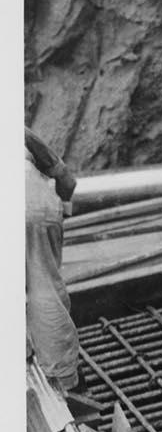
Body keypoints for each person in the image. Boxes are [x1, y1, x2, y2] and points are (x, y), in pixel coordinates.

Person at [25, 131, 82, 402]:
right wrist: (60, 215)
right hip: (40, 208)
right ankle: (65, 379)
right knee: (45, 290)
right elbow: (67, 181)